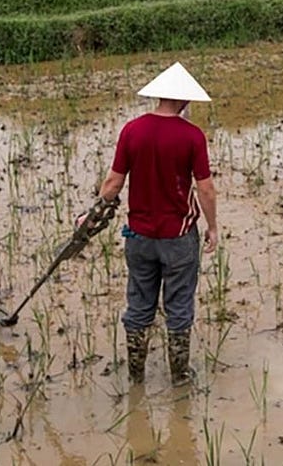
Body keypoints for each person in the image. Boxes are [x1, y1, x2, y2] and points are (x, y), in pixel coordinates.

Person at [95, 61, 218, 386]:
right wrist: (213, 226)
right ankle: (179, 378)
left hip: (138, 237)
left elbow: (112, 183)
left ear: (159, 96)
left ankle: (136, 377)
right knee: (178, 306)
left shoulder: (132, 130)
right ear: (184, 101)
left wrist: (92, 213)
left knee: (139, 305)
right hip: (178, 237)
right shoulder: (192, 136)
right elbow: (205, 188)